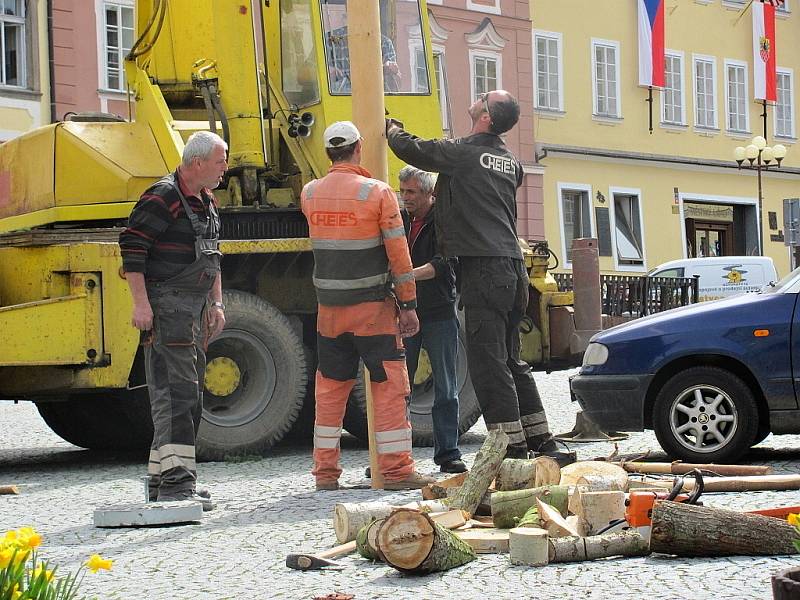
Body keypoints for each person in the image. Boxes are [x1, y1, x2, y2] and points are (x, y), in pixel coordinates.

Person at [387, 91, 572, 462]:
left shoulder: (467, 153)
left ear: (485, 116)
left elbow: (419, 152)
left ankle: (509, 447)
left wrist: (392, 131)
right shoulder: (510, 162)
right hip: (514, 270)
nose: (475, 98)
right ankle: (542, 441)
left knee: (488, 364)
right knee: (511, 360)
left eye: (482, 98)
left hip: (485, 270)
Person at [301, 121, 435, 491]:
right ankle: (395, 470)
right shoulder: (377, 193)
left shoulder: (309, 193)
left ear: (329, 151)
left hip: (329, 312)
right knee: (389, 387)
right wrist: (408, 304)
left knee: (329, 391)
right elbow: (399, 254)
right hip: (373, 311)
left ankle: (325, 474)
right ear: (359, 147)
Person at [119, 131, 228, 510]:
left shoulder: (205, 201)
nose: (225, 168)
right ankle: (178, 485)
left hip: (194, 311)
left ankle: (161, 479)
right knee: (177, 395)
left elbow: (213, 258)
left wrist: (216, 304)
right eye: (220, 161)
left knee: (185, 394)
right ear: (196, 163)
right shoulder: (163, 196)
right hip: (168, 310)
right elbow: (132, 249)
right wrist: (141, 305)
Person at [398, 165, 466, 474]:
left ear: (428, 193)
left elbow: (444, 264)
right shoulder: (401, 219)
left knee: (446, 387)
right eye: (403, 191)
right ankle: (394, 457)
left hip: (438, 310)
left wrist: (406, 276)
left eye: (411, 192)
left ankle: (449, 454)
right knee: (399, 388)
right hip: (405, 309)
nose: (405, 197)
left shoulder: (444, 220)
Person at [324, 20, 400, 93]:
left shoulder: (385, 43)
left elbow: (396, 84)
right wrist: (328, 71)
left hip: (374, 100)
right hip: (339, 101)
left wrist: (389, 69)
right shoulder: (331, 40)